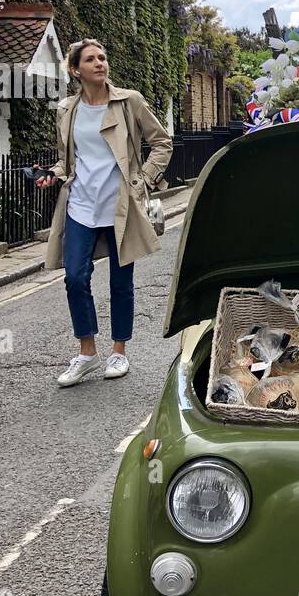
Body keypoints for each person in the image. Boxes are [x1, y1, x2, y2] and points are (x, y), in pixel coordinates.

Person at [39, 38, 173, 387]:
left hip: (119, 206)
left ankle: (118, 352)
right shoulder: (67, 109)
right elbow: (69, 158)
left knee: (120, 281)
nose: (100, 63)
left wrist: (143, 180)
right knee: (74, 277)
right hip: (81, 205)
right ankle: (87, 352)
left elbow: (162, 142)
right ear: (75, 69)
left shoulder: (129, 101)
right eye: (91, 59)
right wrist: (53, 174)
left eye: (103, 56)